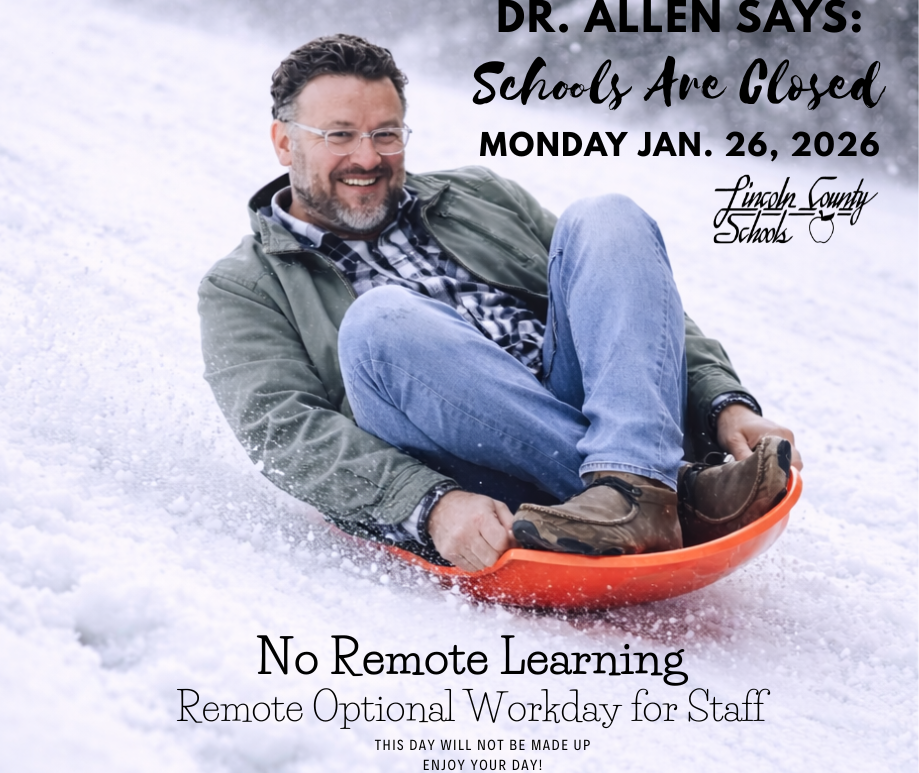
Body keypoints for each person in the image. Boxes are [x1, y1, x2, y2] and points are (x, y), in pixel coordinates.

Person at [198, 34, 802, 573]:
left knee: (608, 218)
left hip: (608, 418)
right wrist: (427, 505)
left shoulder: (478, 194)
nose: (367, 157)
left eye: (385, 133)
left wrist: (724, 404)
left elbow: (633, 309)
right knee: (381, 319)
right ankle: (669, 492)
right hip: (482, 475)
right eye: (339, 136)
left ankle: (634, 485)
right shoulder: (243, 286)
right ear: (284, 142)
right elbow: (282, 432)